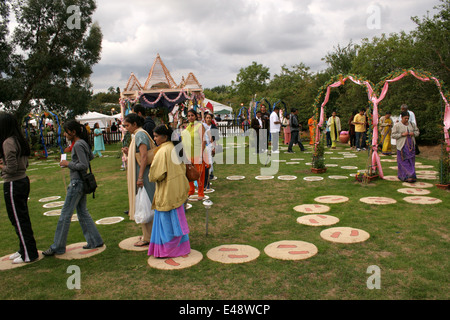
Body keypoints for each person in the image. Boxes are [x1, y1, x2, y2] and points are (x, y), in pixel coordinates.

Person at [43, 120, 103, 256]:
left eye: (66, 131)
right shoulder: (83, 143)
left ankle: (58, 246)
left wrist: (68, 163)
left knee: (65, 215)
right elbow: (90, 157)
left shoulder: (78, 145)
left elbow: (83, 164)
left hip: (77, 182)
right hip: (81, 182)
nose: (65, 134)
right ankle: (95, 240)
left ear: (73, 132)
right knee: (82, 212)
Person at [0, 112, 39, 264]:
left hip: (13, 183)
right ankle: (25, 249)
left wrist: (2, 167)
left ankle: (28, 254)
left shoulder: (8, 142)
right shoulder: (18, 140)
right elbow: (24, 164)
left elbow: (12, 168)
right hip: (22, 181)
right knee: (21, 218)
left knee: (18, 219)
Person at [148, 124, 191, 258]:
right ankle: (181, 247)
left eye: (156, 136)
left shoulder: (163, 151)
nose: (154, 139)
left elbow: (155, 175)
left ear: (165, 137)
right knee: (177, 221)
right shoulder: (176, 148)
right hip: (178, 189)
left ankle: (169, 249)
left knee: (167, 224)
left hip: (167, 192)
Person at [121, 113, 156, 247]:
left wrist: (140, 177)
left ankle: (148, 237)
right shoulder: (138, 134)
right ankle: (148, 235)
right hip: (143, 174)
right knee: (145, 204)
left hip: (144, 175)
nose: (126, 128)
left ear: (135, 124)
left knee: (146, 204)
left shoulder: (140, 134)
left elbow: (143, 156)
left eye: (127, 125)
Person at [181, 109, 207, 200]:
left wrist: (201, 154)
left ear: (195, 116)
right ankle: (191, 190)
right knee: (189, 173)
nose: (190, 117)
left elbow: (203, 140)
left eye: (192, 115)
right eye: (188, 116)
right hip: (188, 154)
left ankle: (200, 193)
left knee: (199, 174)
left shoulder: (200, 126)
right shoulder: (187, 127)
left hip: (197, 153)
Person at [392, 111, 420, 182]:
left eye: (408, 118)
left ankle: (411, 176)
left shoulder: (412, 124)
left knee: (411, 161)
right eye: (405, 118)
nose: (407, 120)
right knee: (403, 161)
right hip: (402, 146)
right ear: (401, 117)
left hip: (411, 146)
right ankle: (404, 175)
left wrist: (413, 133)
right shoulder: (397, 125)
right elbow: (393, 135)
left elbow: (417, 132)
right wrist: (402, 134)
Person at [203, 113, 217, 189]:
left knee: (208, 164)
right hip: (201, 147)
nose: (208, 119)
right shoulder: (202, 126)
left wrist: (213, 147)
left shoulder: (212, 127)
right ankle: (202, 182)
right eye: (207, 117)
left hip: (208, 146)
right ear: (205, 118)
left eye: (209, 117)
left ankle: (207, 182)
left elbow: (212, 138)